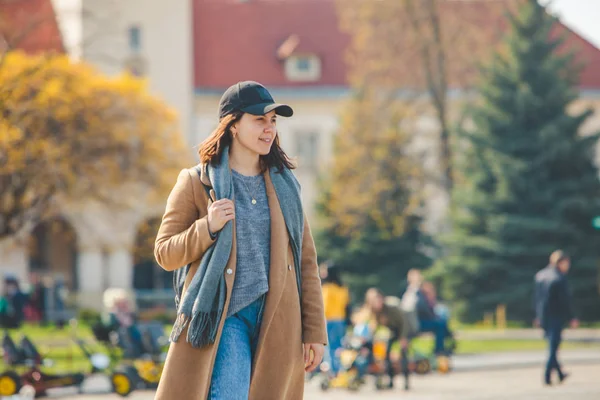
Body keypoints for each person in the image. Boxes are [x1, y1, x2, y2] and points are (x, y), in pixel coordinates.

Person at [153, 81, 327, 400]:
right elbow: (165, 252)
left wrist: (315, 332)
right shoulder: (196, 182)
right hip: (225, 314)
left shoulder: (286, 186)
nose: (269, 129)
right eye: (259, 120)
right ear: (233, 124)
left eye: (273, 121)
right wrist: (208, 226)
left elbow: (306, 262)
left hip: (278, 316)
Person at [534, 250, 578, 386]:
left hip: (543, 316)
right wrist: (571, 317)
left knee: (552, 345)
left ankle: (559, 373)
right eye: (566, 263)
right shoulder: (559, 278)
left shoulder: (540, 276)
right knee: (553, 347)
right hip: (556, 316)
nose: (568, 266)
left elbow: (536, 299)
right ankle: (547, 375)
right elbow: (565, 301)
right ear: (560, 263)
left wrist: (537, 316)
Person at [364, 288, 409, 389]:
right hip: (392, 331)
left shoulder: (391, 307)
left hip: (403, 328)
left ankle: (406, 382)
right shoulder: (374, 311)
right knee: (386, 354)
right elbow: (374, 325)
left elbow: (404, 322)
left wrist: (403, 338)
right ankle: (390, 381)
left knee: (403, 354)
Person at [320, 262, 351, 377]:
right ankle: (341, 370)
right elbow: (346, 304)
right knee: (339, 346)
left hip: (329, 320)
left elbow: (325, 305)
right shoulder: (343, 287)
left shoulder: (327, 288)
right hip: (340, 320)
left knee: (329, 347)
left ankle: (332, 372)